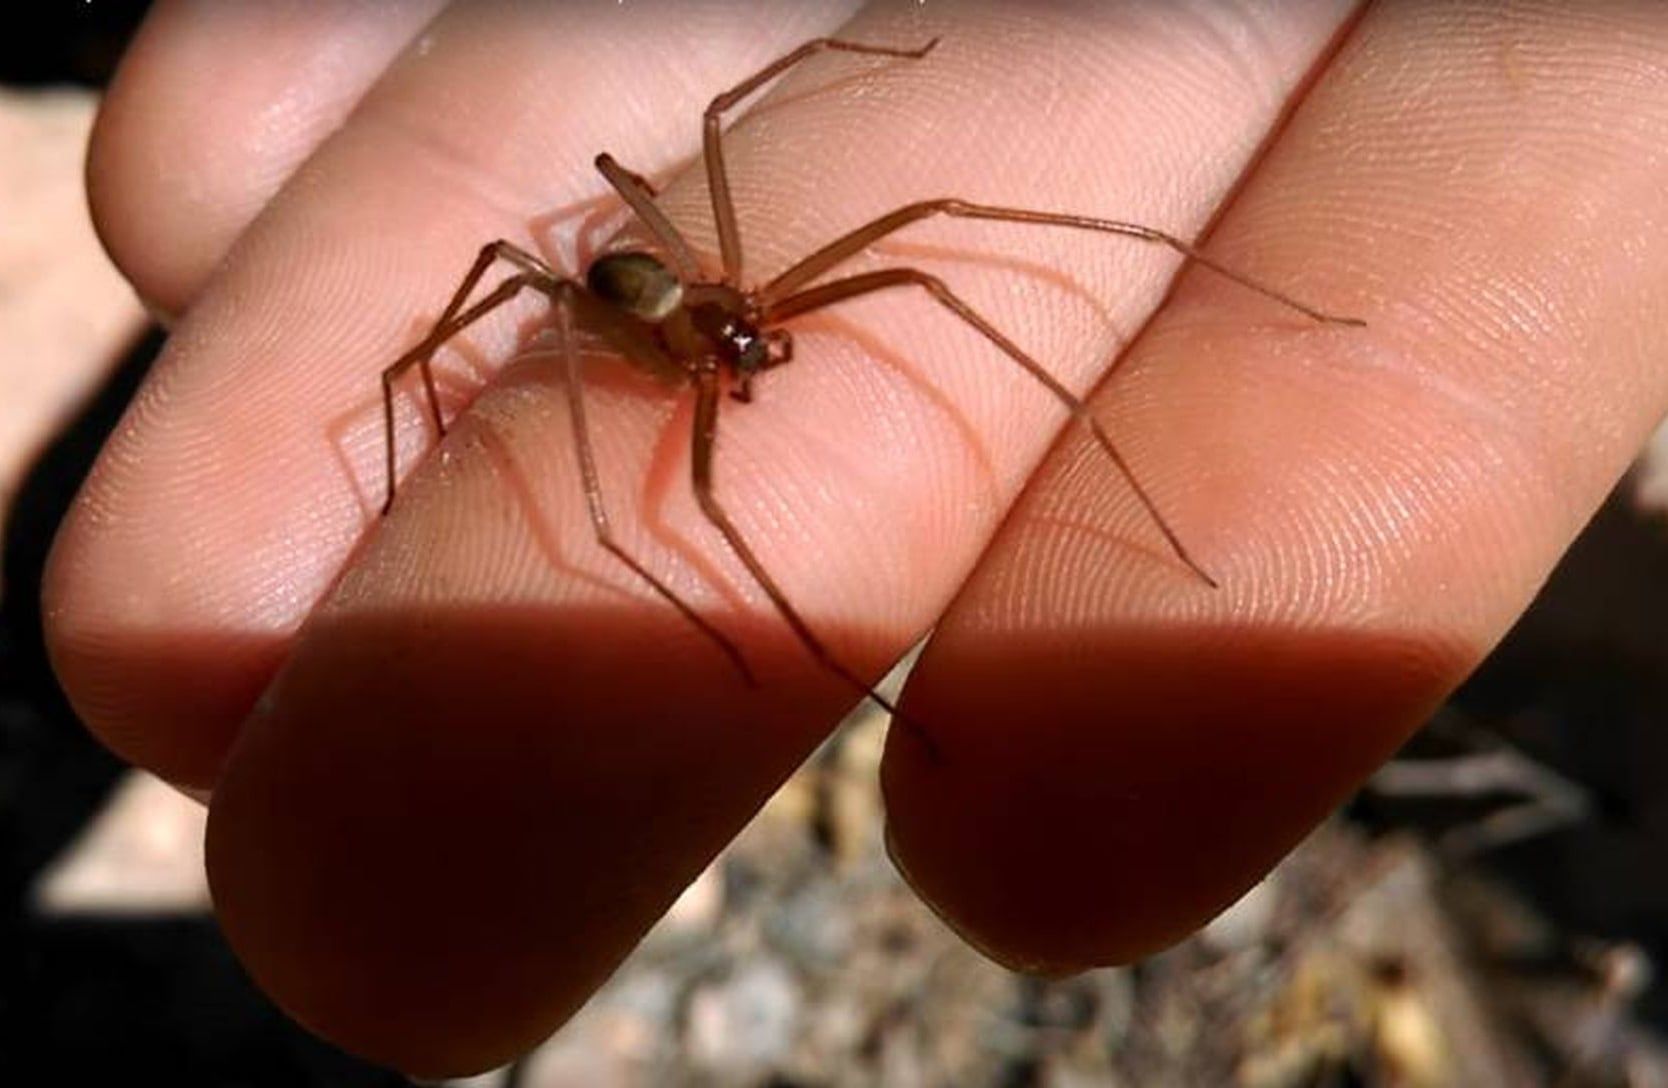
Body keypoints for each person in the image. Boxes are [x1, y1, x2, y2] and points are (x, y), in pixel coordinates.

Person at [49, 2, 1668, 1078]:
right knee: (665, 489)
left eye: (750, 337)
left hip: (688, 280)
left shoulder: (751, 288)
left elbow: (821, 170)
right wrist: (453, 397)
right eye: (743, 345)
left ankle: (1244, 314)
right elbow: (621, 476)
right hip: (632, 306)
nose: (759, 356)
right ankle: (861, 684)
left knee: (938, 238)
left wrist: (881, 64)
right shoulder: (652, 338)